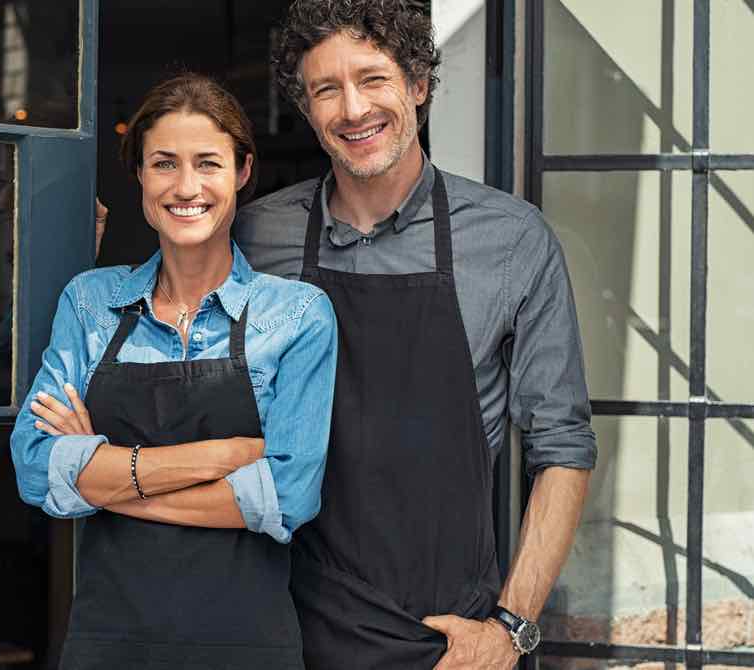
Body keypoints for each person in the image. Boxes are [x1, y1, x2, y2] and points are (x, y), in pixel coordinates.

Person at [224, 1, 596, 667]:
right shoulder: (255, 236)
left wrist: (511, 629)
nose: (352, 109)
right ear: (306, 111)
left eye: (372, 79)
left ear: (418, 85)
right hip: (282, 625)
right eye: (326, 90)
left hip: (449, 639)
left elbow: (562, 449)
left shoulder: (511, 240)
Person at [10, 73, 337, 670]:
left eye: (208, 163)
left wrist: (103, 480)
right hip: (107, 644)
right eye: (164, 163)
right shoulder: (90, 303)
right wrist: (225, 456)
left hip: (246, 649)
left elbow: (288, 497)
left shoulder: (295, 315)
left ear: (242, 172)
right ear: (139, 174)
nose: (186, 187)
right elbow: (35, 467)